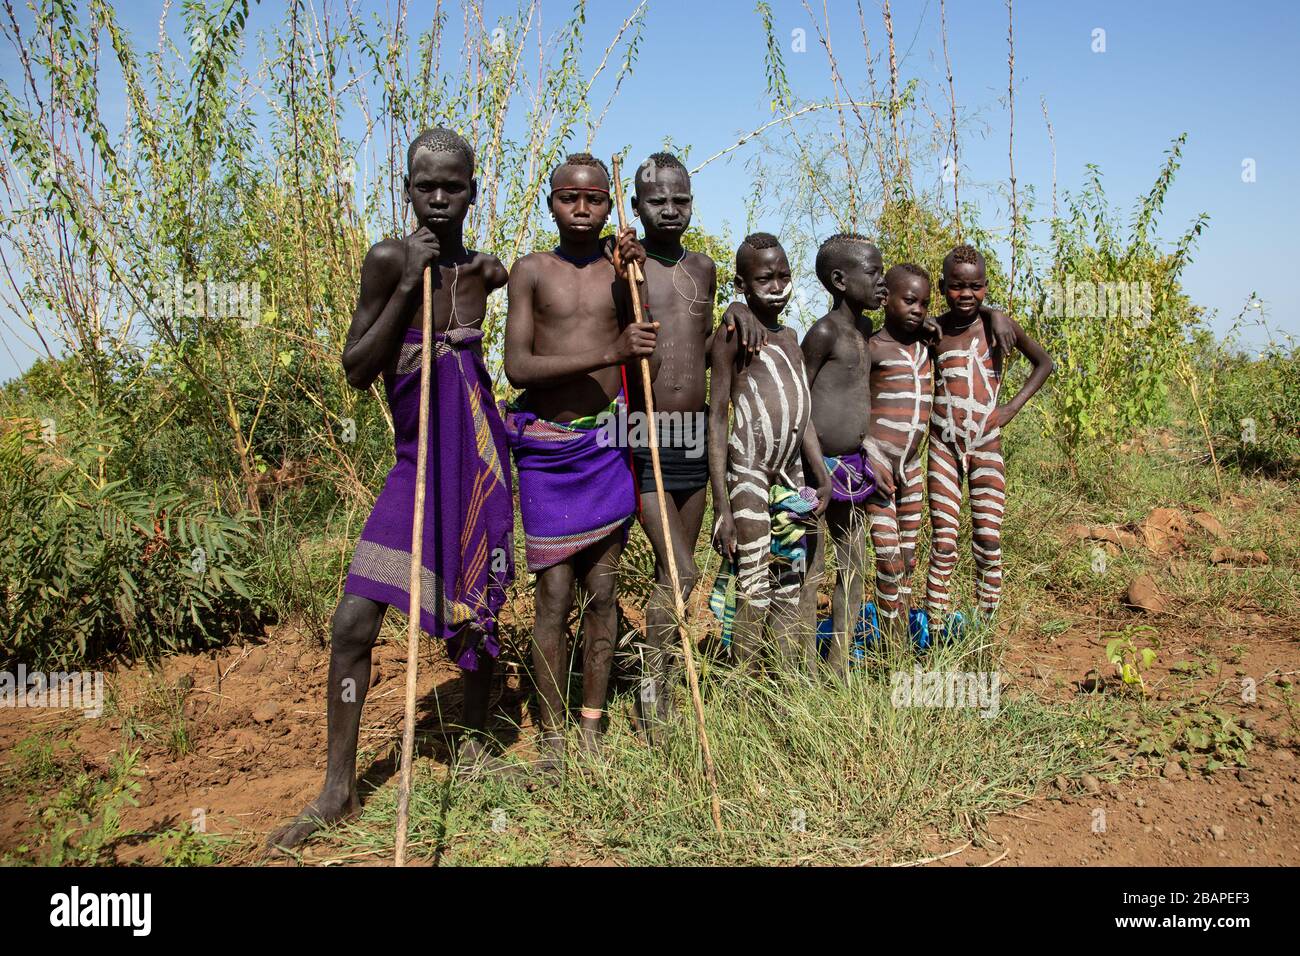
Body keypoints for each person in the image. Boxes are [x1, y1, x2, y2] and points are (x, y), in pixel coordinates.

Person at [268, 128, 514, 851]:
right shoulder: (386, 259)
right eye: (423, 184)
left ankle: (473, 746)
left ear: (474, 189)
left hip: (473, 461)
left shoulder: (488, 270)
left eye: (454, 186)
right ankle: (338, 789)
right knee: (352, 624)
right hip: (413, 466)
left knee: (478, 603)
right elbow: (356, 367)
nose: (438, 198)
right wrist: (409, 284)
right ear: (405, 188)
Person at [501, 153, 649, 772]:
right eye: (569, 198)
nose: (581, 209)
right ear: (551, 203)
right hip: (547, 447)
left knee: (604, 590)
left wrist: (638, 279)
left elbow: (650, 347)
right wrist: (607, 349)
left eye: (594, 200)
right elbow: (517, 367)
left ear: (611, 207)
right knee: (554, 596)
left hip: (606, 445)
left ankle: (591, 725)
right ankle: (554, 736)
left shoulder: (624, 276)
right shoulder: (532, 272)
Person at [708, 232, 831, 668]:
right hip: (749, 471)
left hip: (791, 473)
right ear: (741, 284)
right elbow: (718, 417)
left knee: (789, 581)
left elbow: (803, 412)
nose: (778, 287)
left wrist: (821, 473)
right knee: (754, 583)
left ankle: (777, 685)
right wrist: (722, 505)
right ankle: (743, 685)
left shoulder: (792, 336)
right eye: (765, 278)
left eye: (784, 276)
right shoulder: (732, 335)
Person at [924, 243, 1053, 632]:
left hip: (986, 445)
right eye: (957, 288)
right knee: (943, 542)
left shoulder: (999, 325)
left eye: (976, 287)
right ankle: (936, 627)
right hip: (942, 447)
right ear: (943, 286)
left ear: (986, 285)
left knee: (988, 541)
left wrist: (1010, 408)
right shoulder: (934, 330)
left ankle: (984, 631)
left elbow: (1044, 363)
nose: (967, 295)